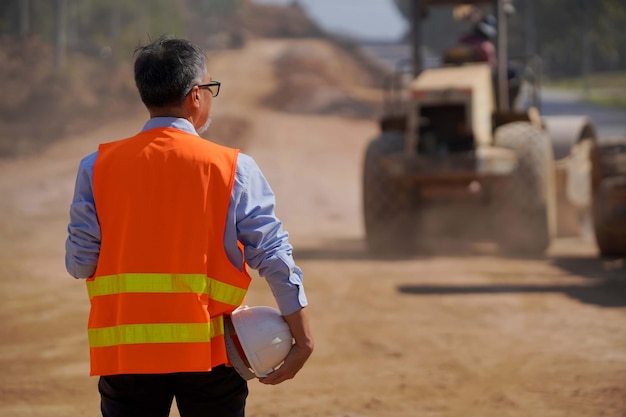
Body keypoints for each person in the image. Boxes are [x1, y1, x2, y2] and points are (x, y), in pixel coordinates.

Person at [65, 35, 314, 417]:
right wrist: (302, 337)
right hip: (212, 355)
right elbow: (273, 253)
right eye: (210, 87)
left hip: (125, 354)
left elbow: (80, 264)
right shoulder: (232, 168)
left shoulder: (95, 167)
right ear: (195, 95)